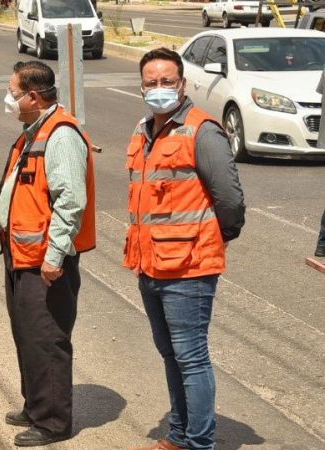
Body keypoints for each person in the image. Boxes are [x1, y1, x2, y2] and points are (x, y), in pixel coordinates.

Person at [125, 48, 245, 450]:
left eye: (166, 82)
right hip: (150, 264)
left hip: (189, 269)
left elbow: (229, 199)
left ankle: (199, 442)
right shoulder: (144, 130)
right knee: (171, 356)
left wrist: (214, 236)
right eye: (151, 82)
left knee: (191, 357)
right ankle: (178, 435)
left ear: (182, 84)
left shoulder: (201, 130)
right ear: (142, 85)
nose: (158, 88)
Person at [0, 61, 96, 447]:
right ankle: (36, 405)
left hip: (45, 261)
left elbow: (70, 201)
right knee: (27, 335)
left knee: (47, 339)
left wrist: (54, 256)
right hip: (22, 254)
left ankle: (53, 421)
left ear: (33, 97)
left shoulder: (61, 135)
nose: (10, 99)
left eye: (13, 92)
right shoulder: (35, 130)